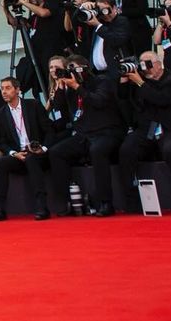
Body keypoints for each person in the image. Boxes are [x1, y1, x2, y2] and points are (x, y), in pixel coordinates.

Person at [118, 51, 171, 213]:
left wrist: (141, 83)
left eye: (148, 63)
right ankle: (132, 200)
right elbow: (122, 96)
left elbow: (161, 99)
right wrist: (125, 79)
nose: (145, 68)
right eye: (141, 63)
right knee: (127, 149)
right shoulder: (140, 81)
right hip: (147, 129)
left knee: (170, 149)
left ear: (159, 64)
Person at [47, 55, 125, 216]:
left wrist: (77, 87)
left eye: (73, 69)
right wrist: (61, 87)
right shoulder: (70, 88)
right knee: (56, 152)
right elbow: (59, 108)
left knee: (97, 150)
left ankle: (105, 202)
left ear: (84, 68)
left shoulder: (101, 81)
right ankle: (66, 202)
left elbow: (99, 101)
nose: (71, 73)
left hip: (107, 132)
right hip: (84, 135)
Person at [0, 77, 51, 220]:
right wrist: (13, 153)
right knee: (3, 162)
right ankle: (0, 209)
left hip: (38, 153)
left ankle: (42, 206)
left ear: (17, 90)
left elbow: (49, 130)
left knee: (31, 158)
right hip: (19, 155)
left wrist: (43, 148)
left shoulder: (34, 105)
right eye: (2, 89)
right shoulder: (0, 114)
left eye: (8, 88)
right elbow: (1, 142)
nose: (4, 92)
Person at [3, 0, 63, 99]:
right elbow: (16, 24)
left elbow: (43, 13)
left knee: (53, 87)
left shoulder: (50, 9)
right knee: (40, 90)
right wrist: (5, 9)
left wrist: (23, 2)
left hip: (50, 57)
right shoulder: (33, 18)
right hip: (36, 60)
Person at [80, 0, 131, 77]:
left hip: (115, 72)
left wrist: (98, 25)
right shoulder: (98, 22)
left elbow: (117, 40)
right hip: (96, 72)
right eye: (101, 10)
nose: (105, 13)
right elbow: (76, 21)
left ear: (114, 8)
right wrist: (82, 8)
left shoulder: (121, 21)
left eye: (107, 9)